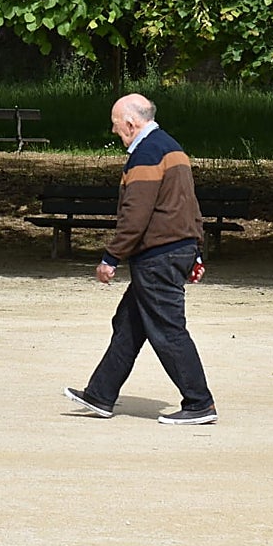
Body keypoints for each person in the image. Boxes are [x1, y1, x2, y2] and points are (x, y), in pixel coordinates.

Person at [64, 93, 217, 426]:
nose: (114, 131)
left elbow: (135, 215)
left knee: (168, 330)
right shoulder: (172, 148)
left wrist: (111, 257)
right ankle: (100, 394)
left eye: (116, 125)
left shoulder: (146, 154)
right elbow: (189, 204)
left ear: (131, 123)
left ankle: (199, 403)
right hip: (175, 249)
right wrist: (196, 247)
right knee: (129, 323)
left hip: (158, 255)